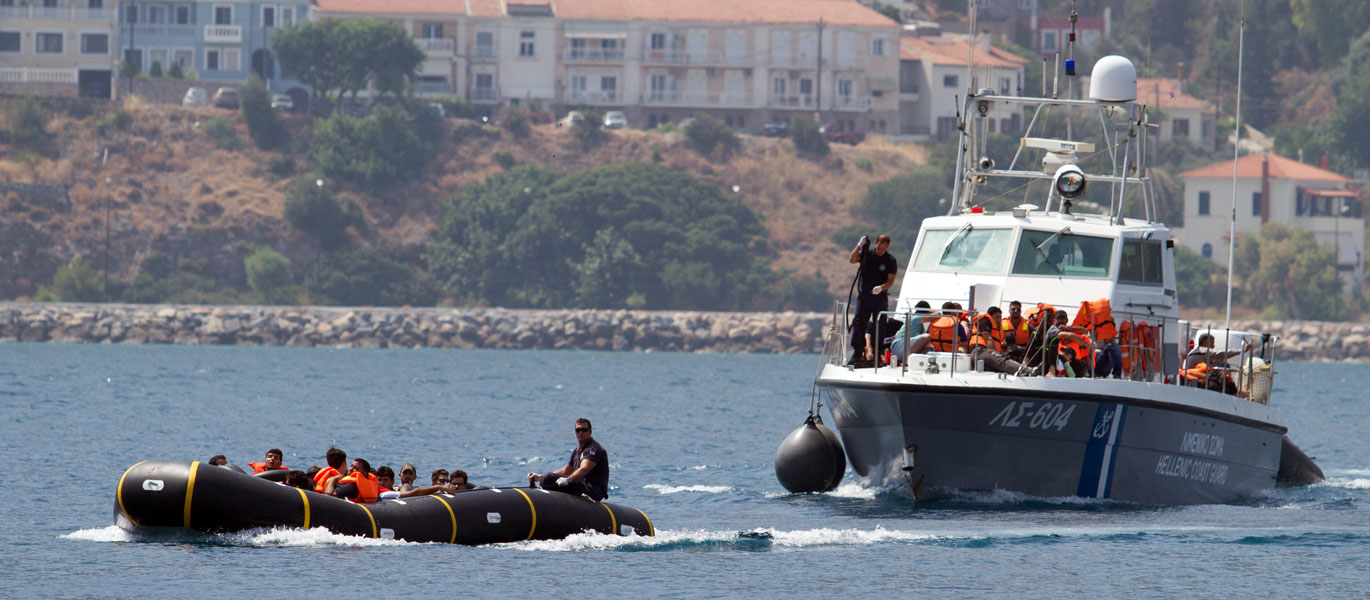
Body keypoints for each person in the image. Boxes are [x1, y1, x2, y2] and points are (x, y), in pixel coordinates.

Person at [529, 418, 609, 502]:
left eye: (584, 430)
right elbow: (565, 471)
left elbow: (584, 468)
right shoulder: (577, 451)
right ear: (575, 433)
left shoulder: (593, 449)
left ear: (590, 432)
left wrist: (568, 480)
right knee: (546, 479)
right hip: (580, 484)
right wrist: (540, 477)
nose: (581, 432)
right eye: (578, 430)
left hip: (593, 490)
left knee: (548, 479)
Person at [848, 234, 898, 363]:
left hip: (880, 298)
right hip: (865, 297)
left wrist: (881, 287)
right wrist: (859, 244)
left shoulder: (890, 260)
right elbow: (852, 259)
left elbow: (890, 280)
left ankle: (877, 354)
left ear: (887, 247)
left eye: (884, 248)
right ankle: (858, 352)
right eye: (879, 247)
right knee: (859, 323)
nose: (881, 250)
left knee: (880, 325)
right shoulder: (867, 255)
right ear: (876, 244)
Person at [969, 306, 1033, 375]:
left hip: (985, 353)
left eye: (1000, 317)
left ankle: (1023, 374)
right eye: (996, 317)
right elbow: (988, 339)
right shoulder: (984, 320)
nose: (999, 319)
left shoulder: (997, 328)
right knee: (1001, 361)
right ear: (991, 316)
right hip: (980, 350)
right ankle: (1029, 371)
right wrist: (996, 354)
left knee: (1003, 362)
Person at [1046, 311, 1092, 377]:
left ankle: (1090, 373)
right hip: (1056, 359)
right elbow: (1069, 336)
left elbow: (1085, 331)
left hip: (1071, 360)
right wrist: (1087, 344)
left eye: (1063, 318)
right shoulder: (1053, 330)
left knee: (1082, 364)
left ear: (1066, 320)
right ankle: (1052, 371)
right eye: (1058, 319)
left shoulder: (1069, 330)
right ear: (1054, 320)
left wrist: (1068, 328)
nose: (1061, 320)